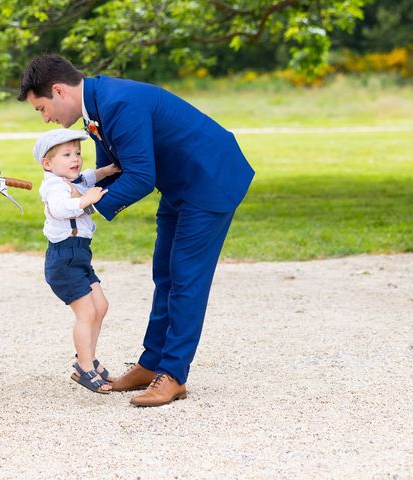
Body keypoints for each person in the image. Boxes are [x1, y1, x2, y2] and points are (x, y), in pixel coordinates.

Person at [19, 54, 255, 407]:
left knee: (186, 277)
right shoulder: (96, 106)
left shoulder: (118, 103)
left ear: (57, 90)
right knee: (165, 274)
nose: (45, 118)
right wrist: (72, 200)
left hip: (210, 180)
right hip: (179, 184)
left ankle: (173, 375)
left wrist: (87, 206)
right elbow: (113, 170)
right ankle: (151, 363)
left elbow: (141, 177)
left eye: (41, 108)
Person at [34, 128, 121, 394]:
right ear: (47, 164)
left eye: (78, 153)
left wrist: (106, 172)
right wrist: (85, 200)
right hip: (63, 259)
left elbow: (89, 176)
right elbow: (60, 208)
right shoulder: (52, 185)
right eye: (67, 154)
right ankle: (83, 367)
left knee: (101, 306)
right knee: (86, 313)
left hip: (80, 255)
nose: (76, 159)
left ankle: (88, 357)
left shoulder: (73, 178)